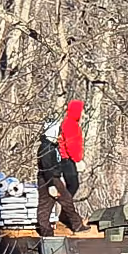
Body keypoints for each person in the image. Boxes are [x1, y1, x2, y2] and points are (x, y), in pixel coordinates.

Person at [36, 98, 87, 238]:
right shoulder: (46, 148)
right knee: (63, 201)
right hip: (50, 179)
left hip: (51, 178)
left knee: (47, 204)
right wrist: (51, 185)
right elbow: (47, 168)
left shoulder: (50, 146)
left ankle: (48, 231)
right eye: (57, 132)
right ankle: (75, 225)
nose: (59, 135)